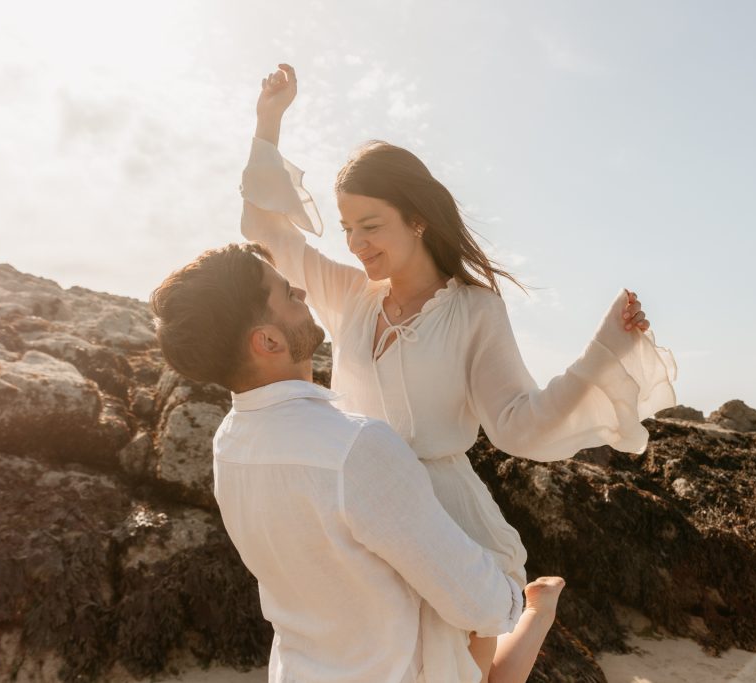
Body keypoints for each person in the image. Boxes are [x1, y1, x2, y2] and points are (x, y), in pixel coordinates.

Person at [240, 64, 678, 683]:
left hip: (443, 521)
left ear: (417, 218)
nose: (356, 243)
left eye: (371, 226)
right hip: (357, 512)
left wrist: (604, 351)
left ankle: (536, 611)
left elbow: (519, 423)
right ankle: (538, 609)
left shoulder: (475, 310)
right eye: (347, 229)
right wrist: (269, 120)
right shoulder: (350, 295)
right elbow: (266, 230)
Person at [150, 242, 568, 682]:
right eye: (288, 293)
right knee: (491, 598)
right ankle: (539, 610)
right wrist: (508, 594)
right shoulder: (355, 446)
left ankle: (536, 609)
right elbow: (480, 605)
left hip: (300, 671)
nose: (302, 292)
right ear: (268, 341)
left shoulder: (228, 444)